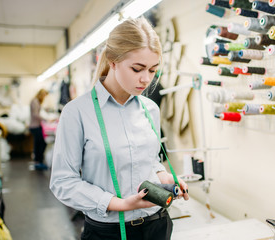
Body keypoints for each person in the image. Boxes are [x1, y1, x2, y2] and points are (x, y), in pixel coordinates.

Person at [50, 17, 189, 240]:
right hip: (109, 233)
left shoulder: (149, 108)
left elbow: (150, 159)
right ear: (112, 61)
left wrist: (165, 177)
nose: (146, 79)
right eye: (137, 68)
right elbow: (62, 182)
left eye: (153, 70)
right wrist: (119, 204)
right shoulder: (77, 112)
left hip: (158, 225)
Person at [29, 88, 48, 170]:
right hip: (34, 126)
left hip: (37, 125)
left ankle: (38, 161)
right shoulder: (35, 101)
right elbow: (35, 114)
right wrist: (46, 119)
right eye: (44, 96)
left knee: (39, 143)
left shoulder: (36, 101)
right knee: (40, 144)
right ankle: (38, 162)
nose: (44, 97)